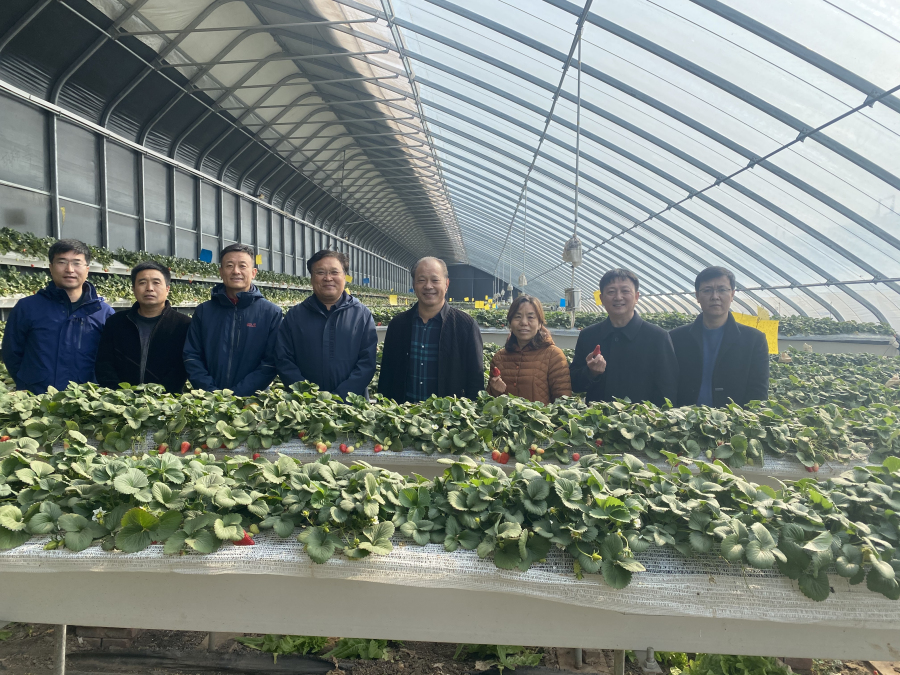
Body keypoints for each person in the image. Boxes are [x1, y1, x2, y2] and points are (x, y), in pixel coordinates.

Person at [1, 239, 114, 394]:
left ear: (87, 269)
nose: (69, 269)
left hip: (86, 401)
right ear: (51, 268)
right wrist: (29, 384)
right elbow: (12, 353)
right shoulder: (27, 308)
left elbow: (112, 360)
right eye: (62, 262)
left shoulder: (103, 313)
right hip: (37, 399)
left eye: (76, 263)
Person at [378, 257, 484, 403]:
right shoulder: (398, 324)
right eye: (421, 280)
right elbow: (386, 375)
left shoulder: (465, 326)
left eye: (435, 280)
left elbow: (475, 380)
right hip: (403, 414)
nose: (428, 286)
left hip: (448, 415)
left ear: (446, 284)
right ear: (414, 285)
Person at [183, 243, 282, 396]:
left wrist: (238, 394)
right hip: (208, 399)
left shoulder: (271, 313)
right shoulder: (204, 311)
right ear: (221, 272)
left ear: (253, 272)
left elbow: (270, 362)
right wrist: (211, 392)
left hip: (254, 400)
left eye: (242, 266)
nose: (236, 271)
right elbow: (192, 355)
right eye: (229, 265)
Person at [276, 250, 377, 398]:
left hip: (352, 405)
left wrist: (341, 398)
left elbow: (367, 362)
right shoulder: (295, 316)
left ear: (344, 276)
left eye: (334, 272)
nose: (328, 278)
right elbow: (284, 360)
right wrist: (307, 396)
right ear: (312, 278)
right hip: (305, 404)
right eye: (320, 272)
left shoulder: (362, 315)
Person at [570, 268, 678, 407]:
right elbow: (575, 384)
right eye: (611, 292)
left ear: (636, 297)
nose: (618, 297)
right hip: (596, 418)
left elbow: (668, 389)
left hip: (642, 419)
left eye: (625, 291)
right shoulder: (589, 335)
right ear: (601, 299)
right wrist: (590, 373)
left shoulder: (657, 337)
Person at [670, 266, 769, 407]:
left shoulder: (754, 339)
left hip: (734, 419)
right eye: (707, 290)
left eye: (722, 290)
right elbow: (669, 383)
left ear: (732, 294)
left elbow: (758, 391)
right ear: (697, 296)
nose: (715, 297)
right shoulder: (676, 338)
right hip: (683, 418)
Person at [95, 261, 191, 393]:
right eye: (142, 283)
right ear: (133, 289)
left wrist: (160, 396)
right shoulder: (116, 322)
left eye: (156, 282)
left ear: (167, 289)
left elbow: (181, 368)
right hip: (119, 400)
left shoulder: (183, 324)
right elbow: (104, 363)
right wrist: (120, 395)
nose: (149, 288)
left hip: (167, 400)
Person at [487, 295, 572, 404]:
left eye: (530, 317)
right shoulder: (499, 358)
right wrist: (494, 390)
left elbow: (563, 402)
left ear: (540, 324)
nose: (523, 322)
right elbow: (489, 402)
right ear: (510, 323)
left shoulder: (553, 355)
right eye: (517, 317)